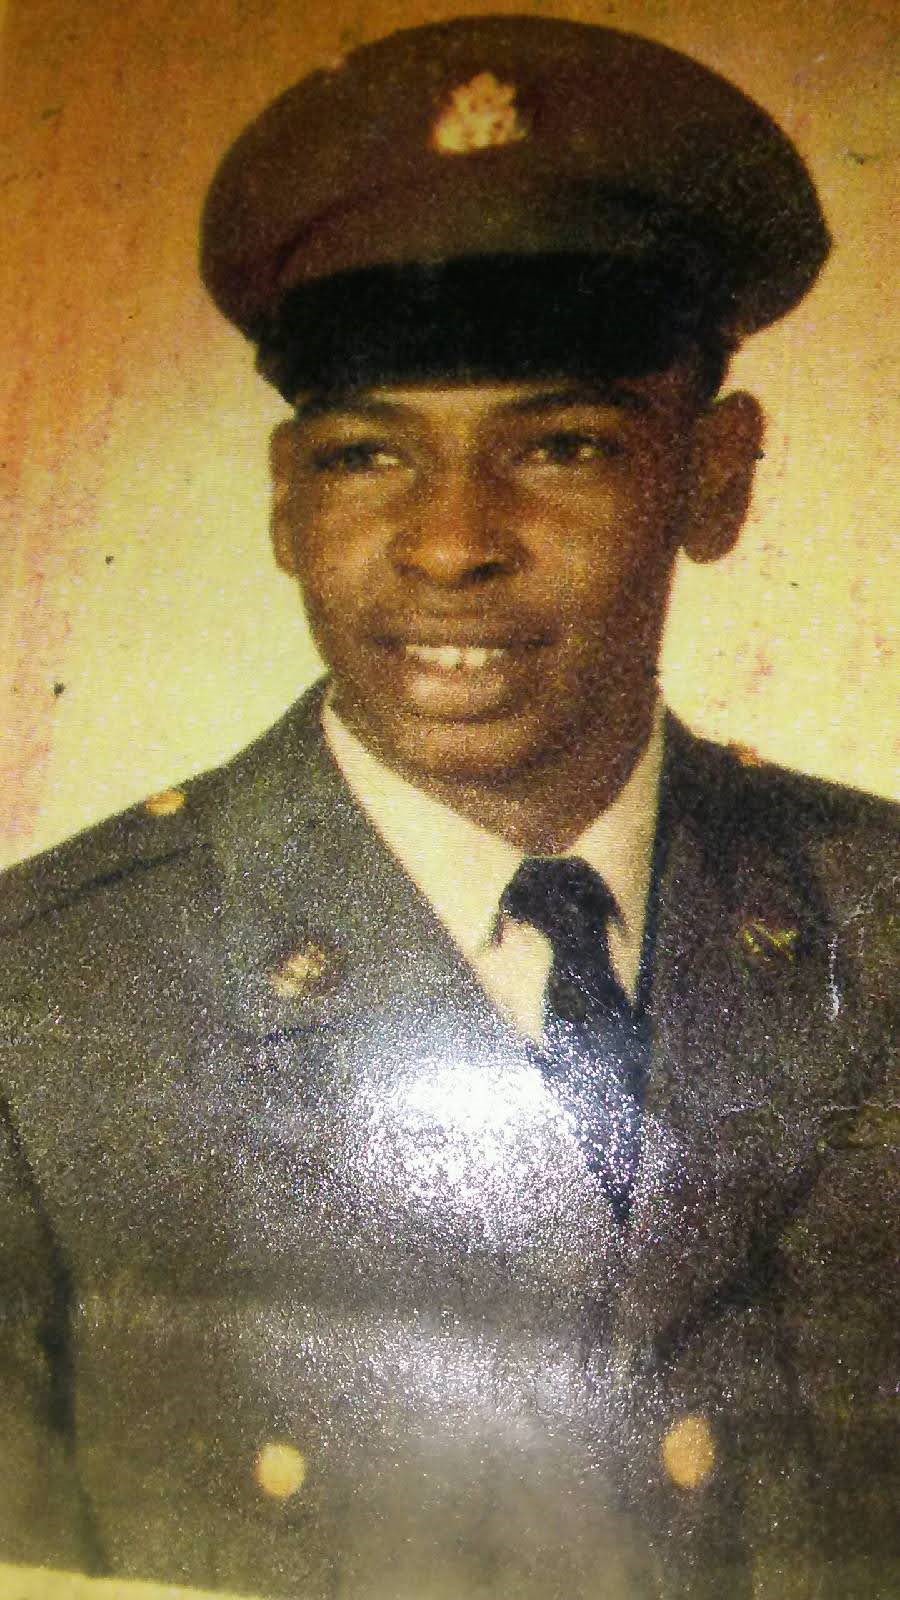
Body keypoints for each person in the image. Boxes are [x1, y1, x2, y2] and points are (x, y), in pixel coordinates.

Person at [0, 14, 896, 1599]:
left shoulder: (877, 927)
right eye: (368, 457)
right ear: (285, 503)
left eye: (562, 445)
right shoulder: (45, 1004)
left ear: (717, 475)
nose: (450, 544)